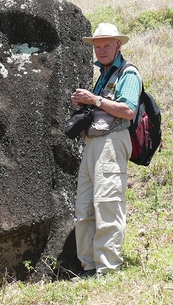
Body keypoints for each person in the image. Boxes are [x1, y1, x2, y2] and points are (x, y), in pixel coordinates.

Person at [71, 23, 142, 278]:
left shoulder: (128, 73)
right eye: (97, 46)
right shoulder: (102, 74)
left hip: (112, 141)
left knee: (107, 204)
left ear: (118, 46)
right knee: (84, 208)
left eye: (106, 45)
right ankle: (89, 267)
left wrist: (95, 100)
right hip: (93, 144)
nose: (101, 50)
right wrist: (85, 103)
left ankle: (108, 269)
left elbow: (128, 110)